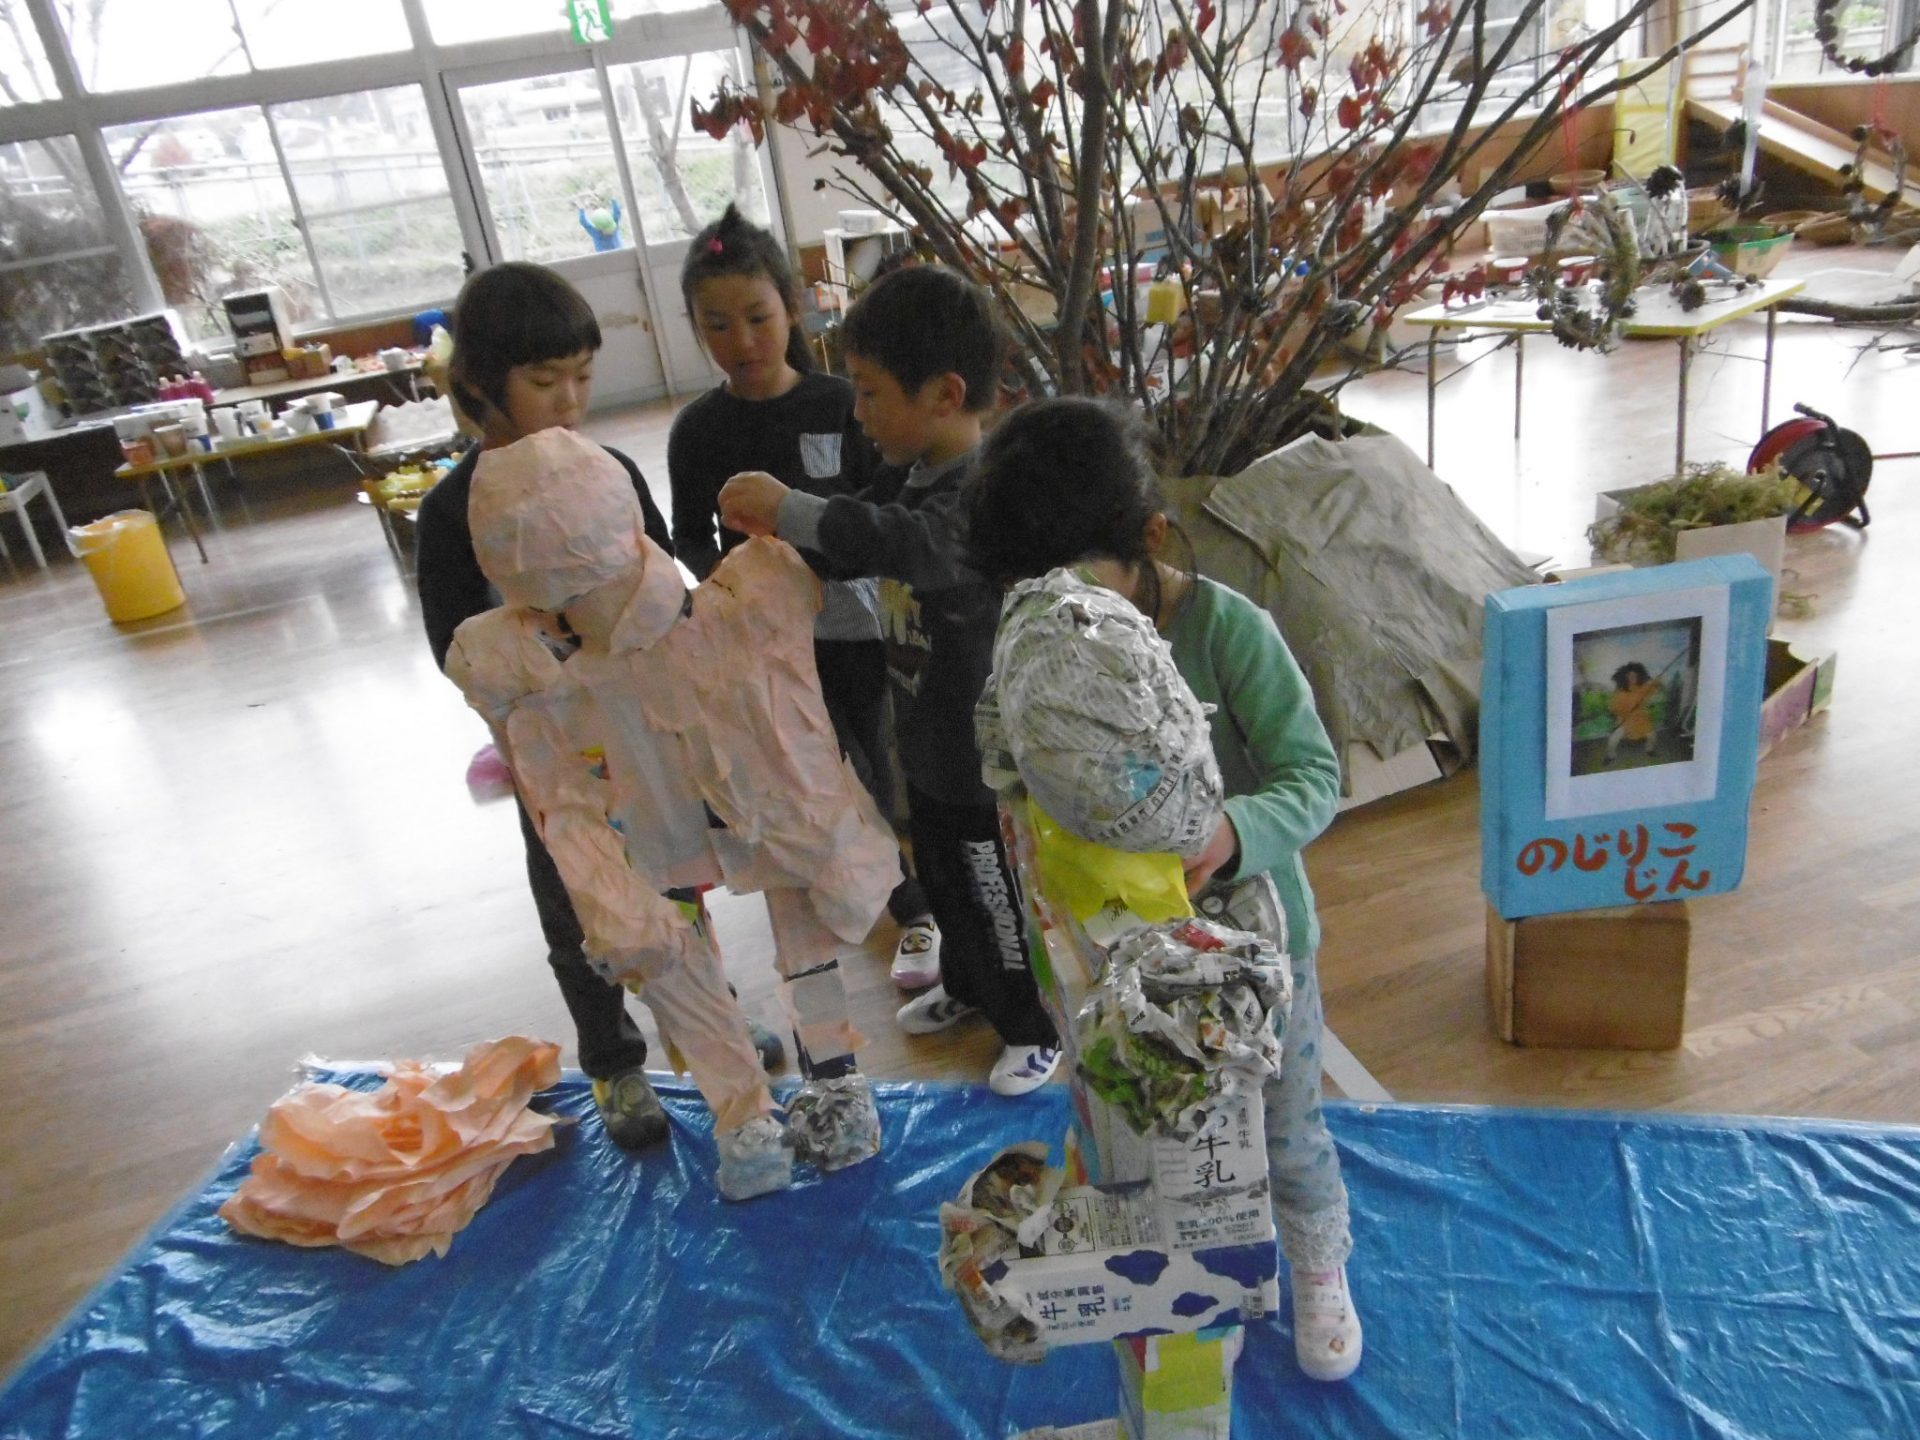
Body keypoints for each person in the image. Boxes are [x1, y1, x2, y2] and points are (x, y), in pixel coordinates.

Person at [961, 395, 1362, 1382]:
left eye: (1078, 587)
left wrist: (1233, 833)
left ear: (1148, 541)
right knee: (1159, 1146)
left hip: (1263, 953)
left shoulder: (1230, 631)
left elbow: (1315, 776)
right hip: (1129, 970)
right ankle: (1197, 1284)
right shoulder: (1043, 654)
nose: (1064, 615)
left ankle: (1318, 1264)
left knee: (1286, 1127)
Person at [415, 260, 780, 1156]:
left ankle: (709, 1023)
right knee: (578, 907)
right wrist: (540, 650)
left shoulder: (606, 469)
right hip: (551, 756)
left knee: (675, 882)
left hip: (639, 737)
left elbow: (660, 580)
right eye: (546, 382)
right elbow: (453, 646)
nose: (571, 400)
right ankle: (614, 1059)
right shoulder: (453, 511)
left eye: (582, 377)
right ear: (480, 387)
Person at [716, 265, 1062, 1098]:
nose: (859, 413)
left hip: (980, 761)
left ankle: (1032, 1025)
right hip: (929, 744)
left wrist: (791, 508)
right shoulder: (910, 473)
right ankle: (971, 986)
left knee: (991, 894)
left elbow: (907, 545)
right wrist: (773, 555)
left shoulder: (977, 492)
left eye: (870, 394)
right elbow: (854, 540)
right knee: (941, 880)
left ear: (944, 395)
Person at [671, 205, 937, 992]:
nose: (742, 341)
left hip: (855, 625)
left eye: (758, 317)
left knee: (870, 761)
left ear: (791, 308)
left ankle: (905, 901)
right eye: (717, 325)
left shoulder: (840, 403)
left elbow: (879, 507)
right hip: (762, 643)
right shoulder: (696, 430)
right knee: (806, 764)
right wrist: (735, 587)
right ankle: (872, 896)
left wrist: (826, 564)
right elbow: (689, 536)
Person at [1605, 662, 1661, 763]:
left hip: (1641, 719)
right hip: (1625, 720)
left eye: (1635, 675)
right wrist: (1619, 718)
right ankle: (1611, 756)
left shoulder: (1643, 687)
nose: (1632, 678)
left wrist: (1657, 681)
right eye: (1630, 675)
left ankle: (1649, 750)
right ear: (1625, 677)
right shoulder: (1620, 692)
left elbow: (1652, 687)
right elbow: (1613, 708)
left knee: (1652, 736)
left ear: (1639, 676)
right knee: (1612, 740)